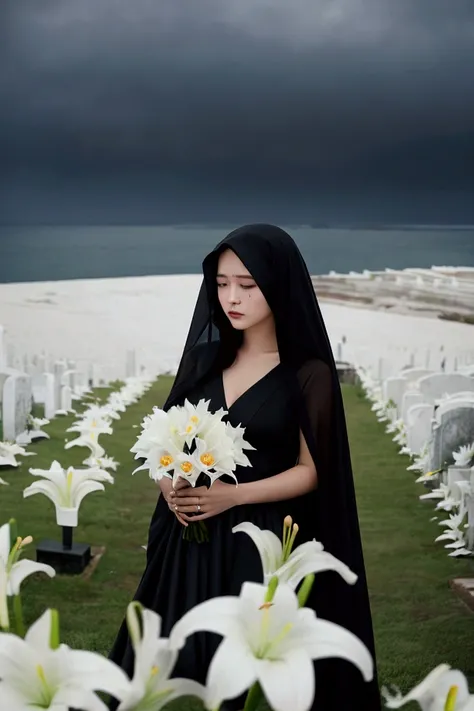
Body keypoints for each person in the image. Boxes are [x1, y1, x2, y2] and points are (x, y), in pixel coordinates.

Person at [108, 224, 381, 711]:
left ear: (277, 285)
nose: (232, 297)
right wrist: (168, 482)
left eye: (248, 285)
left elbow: (311, 469)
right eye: (222, 282)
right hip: (187, 545)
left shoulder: (307, 374)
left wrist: (232, 495)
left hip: (259, 545)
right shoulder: (206, 359)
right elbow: (166, 442)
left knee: (243, 683)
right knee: (166, 670)